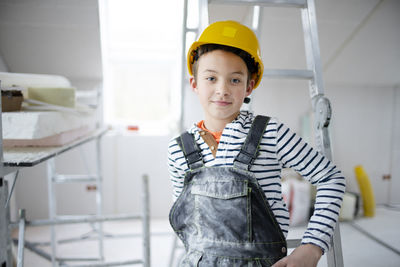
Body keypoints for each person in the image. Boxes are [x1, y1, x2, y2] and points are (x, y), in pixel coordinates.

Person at [167, 20, 345, 267]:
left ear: (249, 86)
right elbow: (186, 221)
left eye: (235, 80)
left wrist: (312, 247)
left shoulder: (269, 133)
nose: (222, 90)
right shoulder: (179, 149)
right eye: (211, 78)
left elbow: (331, 178)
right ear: (194, 84)